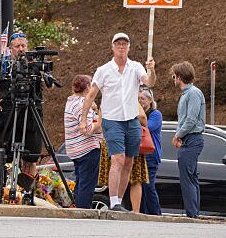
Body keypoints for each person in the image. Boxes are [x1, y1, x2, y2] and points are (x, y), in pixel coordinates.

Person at [81, 32, 156, 212]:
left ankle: (119, 201)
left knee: (129, 161)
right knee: (118, 159)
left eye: (125, 44)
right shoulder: (104, 70)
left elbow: (150, 83)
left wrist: (152, 69)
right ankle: (113, 201)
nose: (122, 47)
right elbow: (92, 94)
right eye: (118, 44)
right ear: (113, 47)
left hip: (131, 119)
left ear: (129, 47)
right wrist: (83, 119)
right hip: (111, 119)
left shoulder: (136, 67)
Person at [0, 32, 41, 180]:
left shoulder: (35, 65)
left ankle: (28, 192)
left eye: (24, 46)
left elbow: (49, 87)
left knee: (30, 158)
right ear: (11, 48)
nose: (21, 49)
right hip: (7, 116)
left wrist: (40, 71)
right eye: (17, 46)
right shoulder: (0, 66)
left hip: (30, 116)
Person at [172, 61, 206, 218]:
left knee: (187, 179)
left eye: (174, 76)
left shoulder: (193, 93)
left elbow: (191, 119)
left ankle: (192, 215)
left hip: (192, 140)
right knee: (191, 178)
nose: (174, 80)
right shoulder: (187, 94)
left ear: (179, 77)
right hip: (189, 139)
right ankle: (194, 214)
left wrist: (178, 134)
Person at [63, 74, 101, 209]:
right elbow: (89, 128)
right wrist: (102, 118)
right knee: (87, 184)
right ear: (88, 87)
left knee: (81, 182)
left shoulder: (71, 102)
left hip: (75, 149)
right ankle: (83, 211)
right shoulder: (81, 104)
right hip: (87, 148)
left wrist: (94, 110)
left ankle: (78, 208)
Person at [139, 88, 163, 215]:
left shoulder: (155, 114)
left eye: (142, 98)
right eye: (138, 99)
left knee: (148, 185)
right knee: (139, 185)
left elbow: (148, 127)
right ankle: (142, 212)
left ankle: (155, 213)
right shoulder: (136, 113)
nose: (140, 101)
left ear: (150, 100)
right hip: (138, 153)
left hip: (151, 154)